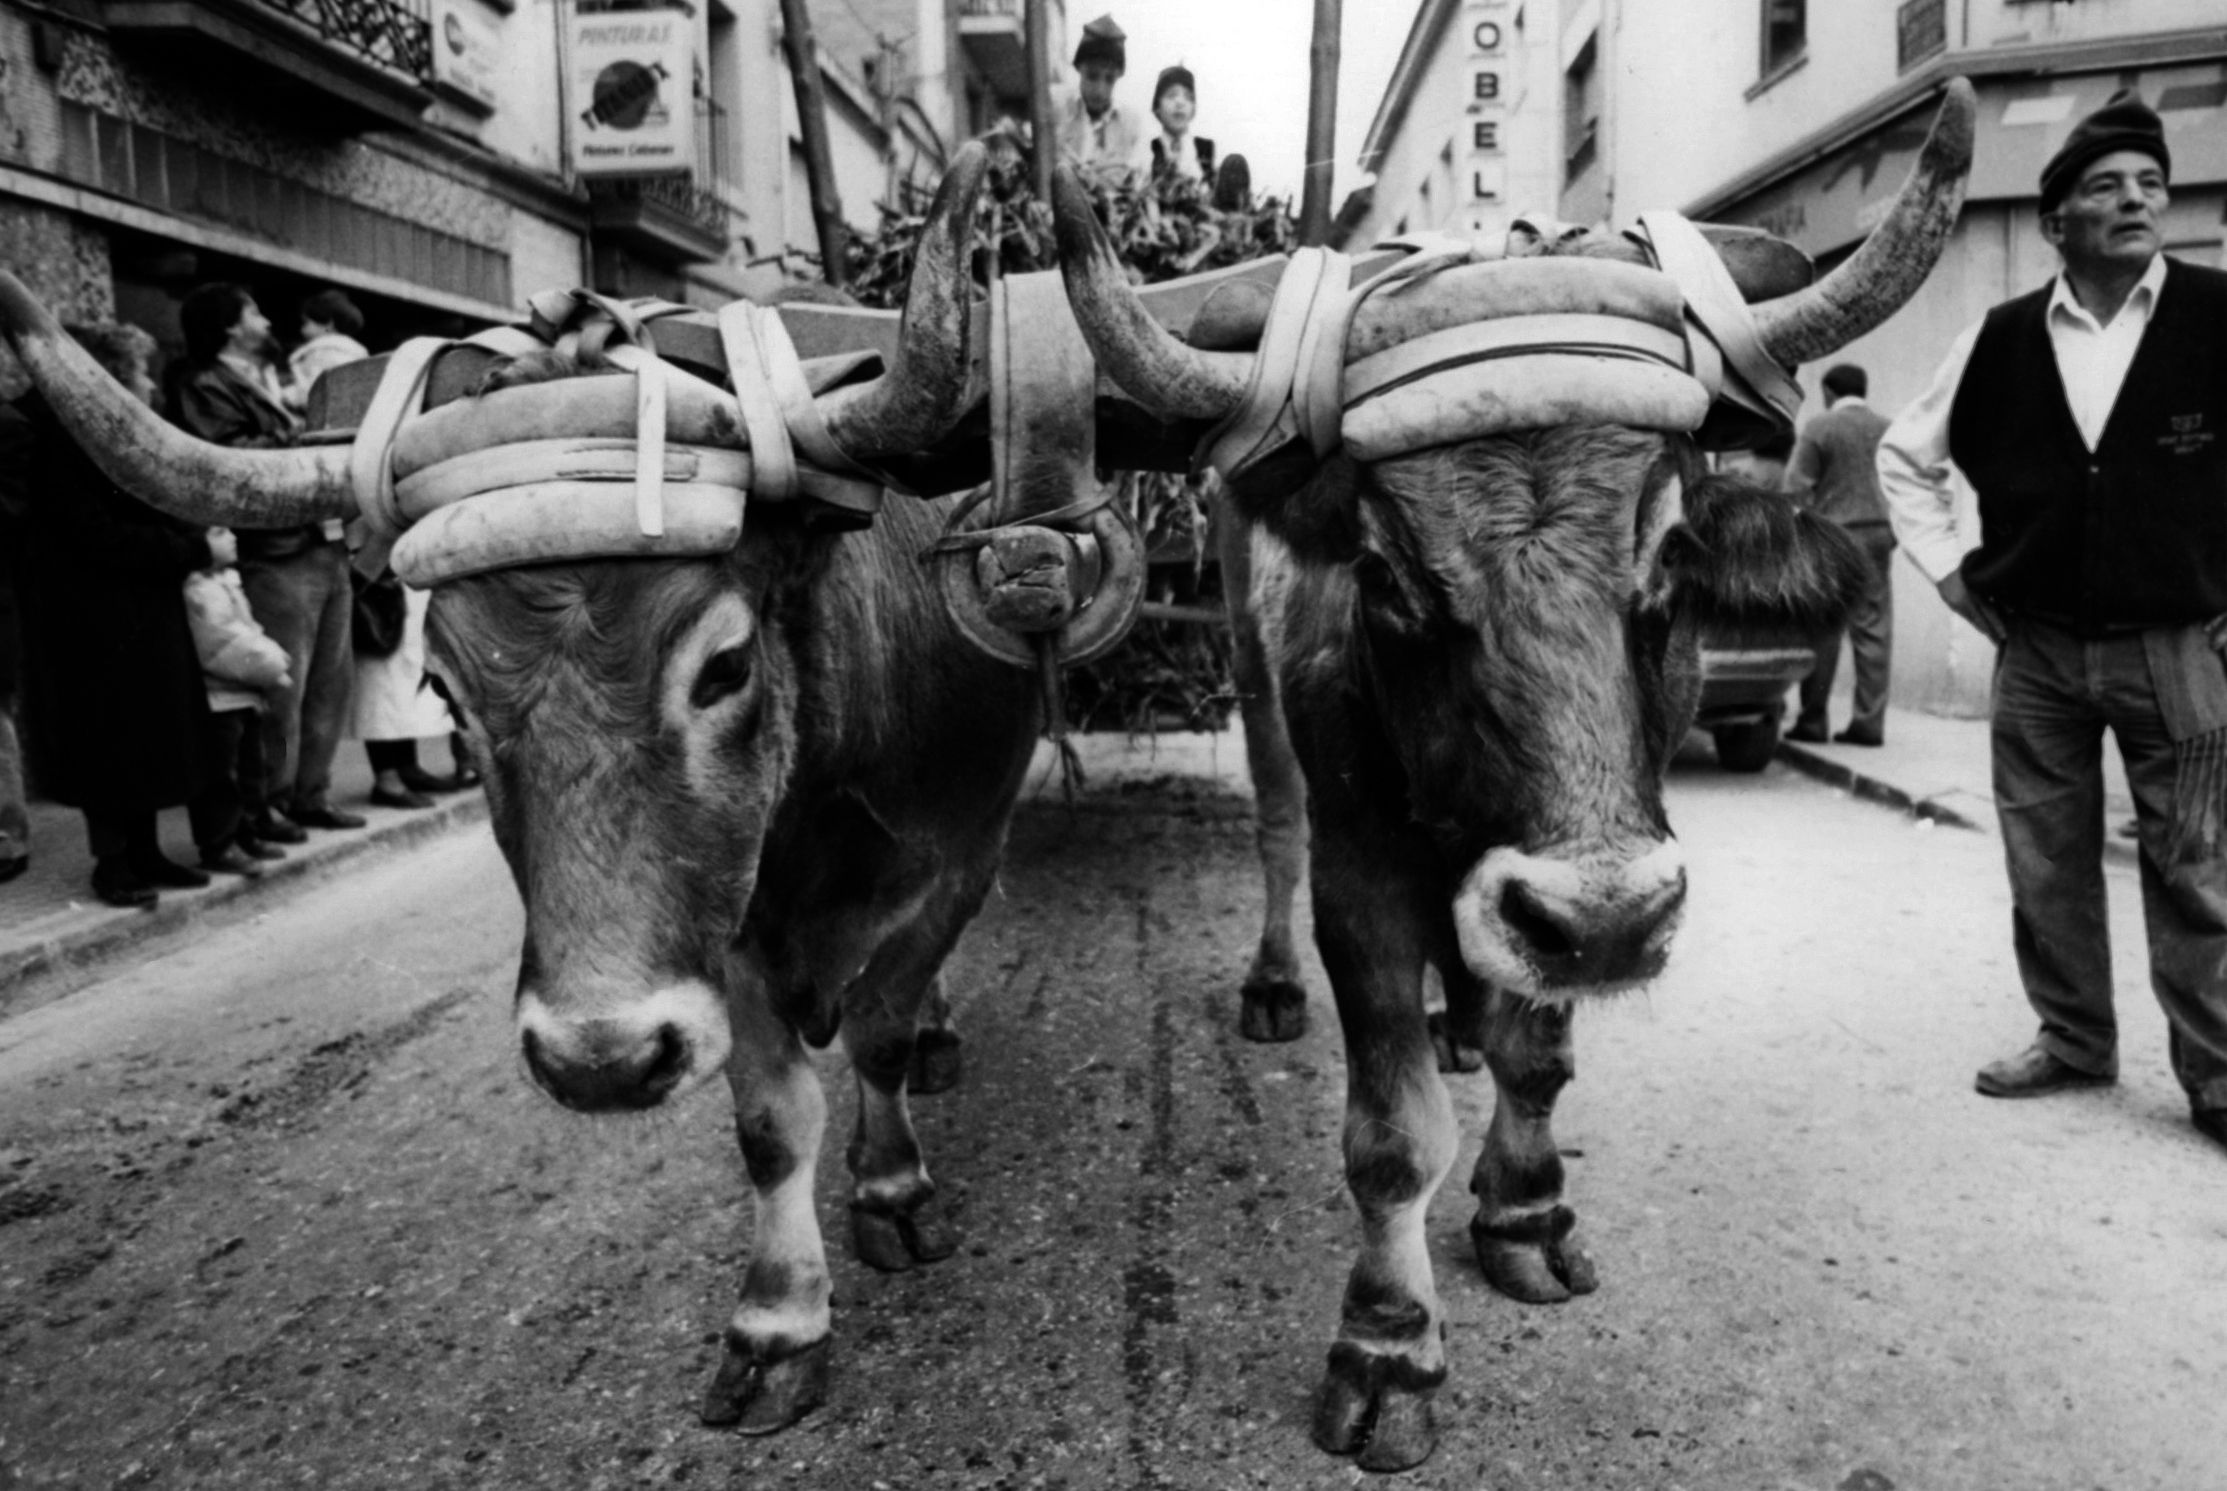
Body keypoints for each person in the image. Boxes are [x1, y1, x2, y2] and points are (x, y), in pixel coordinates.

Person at [1878, 90, 2227, 1154]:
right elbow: (1905, 458)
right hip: (2032, 652)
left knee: (2197, 865)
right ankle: (2074, 1039)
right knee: (2044, 859)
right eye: (2104, 188)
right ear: (2055, 222)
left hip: (2181, 649)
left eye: (2149, 185)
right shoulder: (2000, 335)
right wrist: (1946, 576)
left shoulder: (2222, 316)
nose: (2134, 202)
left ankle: (2216, 1076)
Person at [0, 322, 222, 908]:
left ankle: (145, 853)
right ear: (108, 376)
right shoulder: (58, 435)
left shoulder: (98, 429)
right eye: (138, 371)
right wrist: (191, 550)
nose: (147, 382)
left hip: (135, 602)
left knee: (146, 736)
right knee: (111, 739)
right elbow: (94, 533)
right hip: (91, 615)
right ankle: (114, 863)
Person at [173, 282, 365, 840]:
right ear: (230, 326)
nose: (266, 321)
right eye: (255, 311)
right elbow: (231, 459)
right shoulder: (206, 385)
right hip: (277, 554)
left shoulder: (277, 379)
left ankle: (312, 793)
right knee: (284, 684)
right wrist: (308, 438)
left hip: (323, 546)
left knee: (330, 682)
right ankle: (272, 799)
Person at [1784, 363, 1895, 747]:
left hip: (1835, 537)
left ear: (1829, 391)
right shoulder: (1887, 427)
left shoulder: (1819, 427)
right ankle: (1869, 723)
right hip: (1879, 533)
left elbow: (1795, 488)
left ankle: (1814, 720)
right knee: (1874, 627)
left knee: (1824, 628)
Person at [182, 528, 293, 875]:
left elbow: (248, 627)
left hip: (244, 693)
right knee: (221, 776)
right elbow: (220, 643)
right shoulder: (197, 589)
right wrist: (272, 664)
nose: (231, 536)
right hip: (220, 694)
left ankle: (246, 832)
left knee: (250, 769)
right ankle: (219, 844)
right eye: (218, 532)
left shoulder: (228, 580)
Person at [1055, 15, 1141, 186]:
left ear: (1119, 77)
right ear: (1079, 68)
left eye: (1109, 79)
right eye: (1092, 76)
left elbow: (1136, 177)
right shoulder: (1057, 110)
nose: (1100, 90)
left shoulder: (1130, 124)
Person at [285, 288, 370, 414]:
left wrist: (283, 396)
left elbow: (310, 393)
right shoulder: (355, 353)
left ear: (328, 324)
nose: (302, 330)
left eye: (306, 323)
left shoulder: (323, 352)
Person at [1144, 65, 1213, 185]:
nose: (1180, 102)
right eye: (1171, 95)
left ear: (1193, 109)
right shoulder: (1148, 150)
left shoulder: (1208, 150)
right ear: (1157, 107)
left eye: (1188, 97)